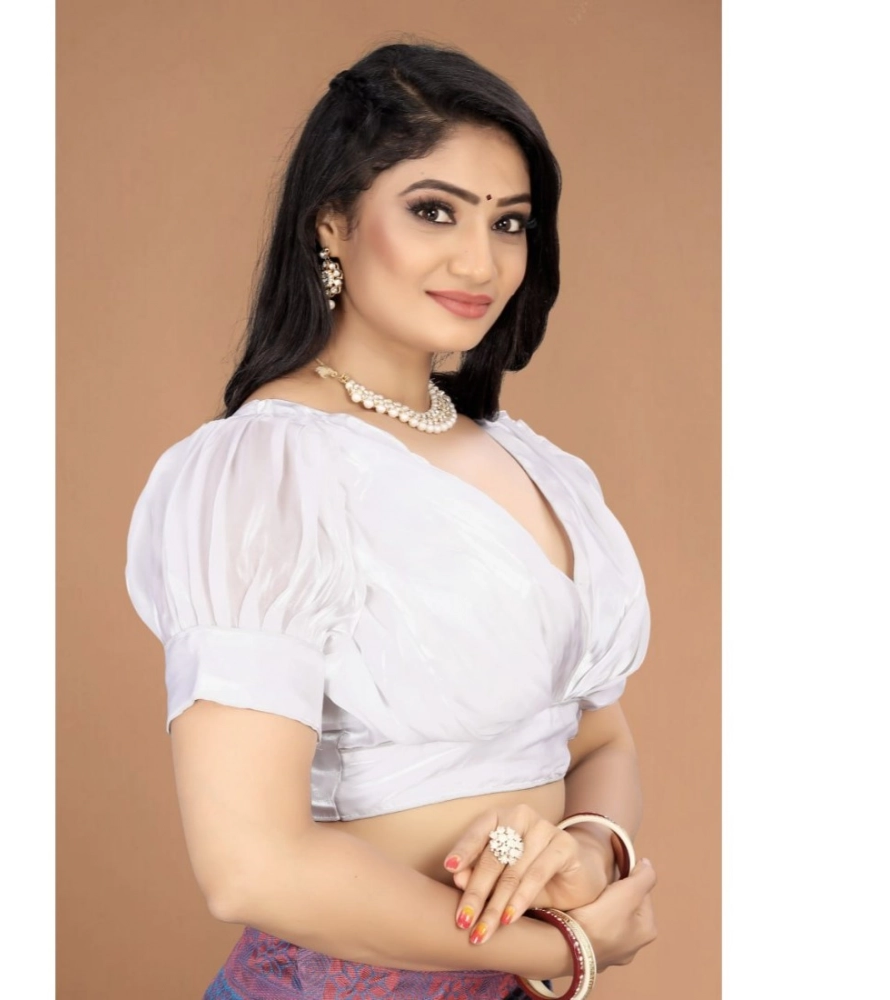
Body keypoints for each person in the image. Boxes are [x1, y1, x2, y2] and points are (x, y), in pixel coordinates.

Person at [126, 41, 658, 1000]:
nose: (480, 260)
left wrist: (587, 851)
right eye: (433, 211)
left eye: (509, 222)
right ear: (332, 221)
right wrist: (565, 950)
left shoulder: (533, 462)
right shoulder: (267, 469)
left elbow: (596, 740)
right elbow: (249, 865)